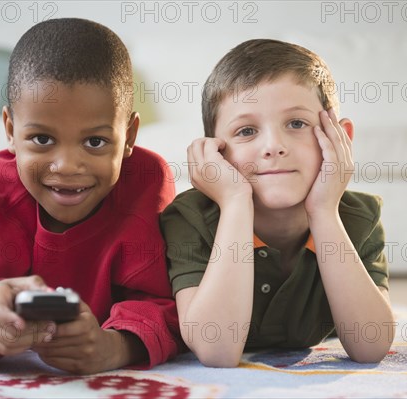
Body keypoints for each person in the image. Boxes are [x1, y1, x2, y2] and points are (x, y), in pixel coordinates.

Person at [0, 18, 181, 374]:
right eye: (42, 139)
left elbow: (172, 304)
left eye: (96, 142)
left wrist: (116, 347)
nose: (67, 166)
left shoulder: (147, 184)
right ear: (11, 130)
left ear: (130, 135)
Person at [160, 39, 395, 368]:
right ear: (214, 152)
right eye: (246, 130)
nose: (273, 146)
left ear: (341, 138)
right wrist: (236, 204)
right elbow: (217, 350)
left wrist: (324, 212)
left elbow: (370, 347)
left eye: (296, 124)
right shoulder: (188, 218)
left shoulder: (359, 217)